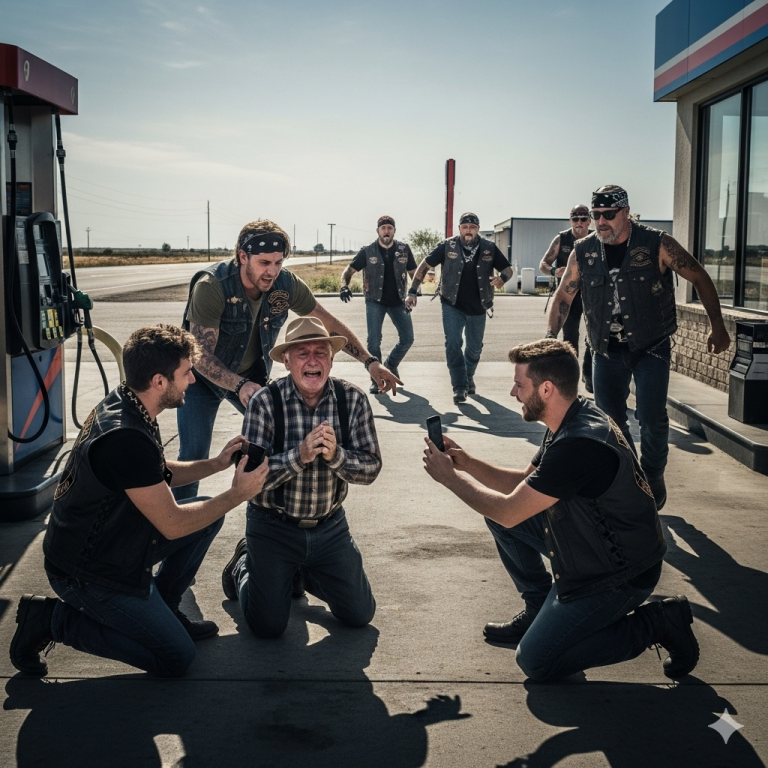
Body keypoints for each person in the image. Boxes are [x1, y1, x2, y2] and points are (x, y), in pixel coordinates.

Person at [422, 339, 700, 681]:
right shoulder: (575, 414)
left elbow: (510, 510)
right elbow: (524, 483)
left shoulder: (578, 445)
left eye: (519, 385)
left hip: (620, 574)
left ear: (547, 388)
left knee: (537, 661)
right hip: (590, 544)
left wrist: (449, 479)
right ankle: (539, 607)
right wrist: (466, 464)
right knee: (499, 517)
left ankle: (656, 624)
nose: (512, 393)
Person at [9, 325, 268, 678]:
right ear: (159, 381)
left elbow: (154, 473)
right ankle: (53, 621)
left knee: (208, 514)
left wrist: (215, 464)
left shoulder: (128, 401)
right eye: (186, 372)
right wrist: (237, 494)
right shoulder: (125, 437)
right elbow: (173, 524)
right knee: (175, 657)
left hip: (115, 545)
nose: (193, 380)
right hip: (87, 572)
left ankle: (164, 606)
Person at [175, 219, 400, 500]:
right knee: (193, 455)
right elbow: (199, 353)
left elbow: (328, 323)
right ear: (243, 257)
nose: (272, 271)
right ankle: (178, 528)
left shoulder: (285, 284)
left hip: (251, 375)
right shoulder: (213, 286)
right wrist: (238, 385)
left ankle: (278, 515)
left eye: (279, 263)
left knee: (282, 440)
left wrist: (370, 362)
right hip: (201, 379)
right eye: (264, 262)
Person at [546, 185, 730, 509]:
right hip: (604, 350)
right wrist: (550, 337)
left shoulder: (657, 243)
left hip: (651, 347)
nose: (600, 221)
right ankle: (636, 479)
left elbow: (699, 276)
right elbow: (564, 296)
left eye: (608, 215)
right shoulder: (583, 251)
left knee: (651, 418)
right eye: (595, 215)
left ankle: (654, 473)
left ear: (625, 212)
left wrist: (717, 325)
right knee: (613, 424)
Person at [221, 316, 381, 639]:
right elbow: (248, 483)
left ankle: (299, 571)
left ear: (332, 360)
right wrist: (301, 455)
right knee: (268, 627)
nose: (312, 361)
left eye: (320, 352)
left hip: (330, 527)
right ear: (286, 360)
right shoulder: (265, 403)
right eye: (302, 353)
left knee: (360, 613)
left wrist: (337, 456)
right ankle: (243, 565)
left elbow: (372, 467)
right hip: (273, 527)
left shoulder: (353, 401)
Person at [406, 212, 513, 404]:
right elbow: (424, 266)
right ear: (459, 229)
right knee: (453, 343)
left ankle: (468, 376)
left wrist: (501, 279)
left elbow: (508, 269)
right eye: (465, 227)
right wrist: (412, 291)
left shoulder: (489, 248)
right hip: (451, 303)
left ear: (478, 229)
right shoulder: (448, 246)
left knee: (474, 348)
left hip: (479, 306)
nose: (468, 231)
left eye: (472, 227)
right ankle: (459, 386)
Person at [340, 215, 417, 393]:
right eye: (383, 228)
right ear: (378, 231)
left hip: (399, 301)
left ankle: (390, 364)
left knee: (408, 338)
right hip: (375, 301)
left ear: (394, 231)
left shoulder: (404, 250)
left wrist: (413, 292)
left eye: (390, 228)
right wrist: (344, 286)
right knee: (373, 342)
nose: (386, 231)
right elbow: (349, 270)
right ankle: (377, 380)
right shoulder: (367, 251)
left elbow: (414, 272)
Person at [539, 204, 593, 392]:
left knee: (594, 337)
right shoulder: (561, 239)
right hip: (569, 297)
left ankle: (589, 373)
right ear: (570, 220)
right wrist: (554, 271)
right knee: (570, 338)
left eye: (583, 218)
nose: (579, 222)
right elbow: (543, 264)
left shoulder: (598, 239)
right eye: (575, 218)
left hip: (593, 297)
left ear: (589, 220)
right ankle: (572, 382)